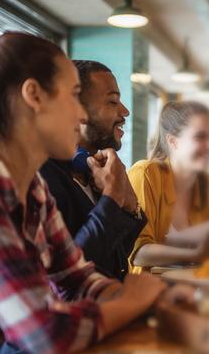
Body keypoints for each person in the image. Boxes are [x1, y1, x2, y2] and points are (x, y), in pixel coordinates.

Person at [0, 32, 181, 353]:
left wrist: (147, 298)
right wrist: (131, 299)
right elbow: (44, 335)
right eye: (74, 95)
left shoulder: (32, 189)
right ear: (34, 95)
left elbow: (78, 277)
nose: (82, 115)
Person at [39, 60, 144, 281]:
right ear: (76, 109)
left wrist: (131, 205)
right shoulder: (44, 176)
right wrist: (112, 198)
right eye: (112, 101)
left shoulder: (97, 168)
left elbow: (117, 254)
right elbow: (71, 274)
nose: (125, 111)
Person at [128, 101, 209, 273]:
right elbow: (138, 254)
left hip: (198, 290)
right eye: (200, 137)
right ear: (173, 142)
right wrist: (195, 254)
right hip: (149, 293)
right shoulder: (145, 174)